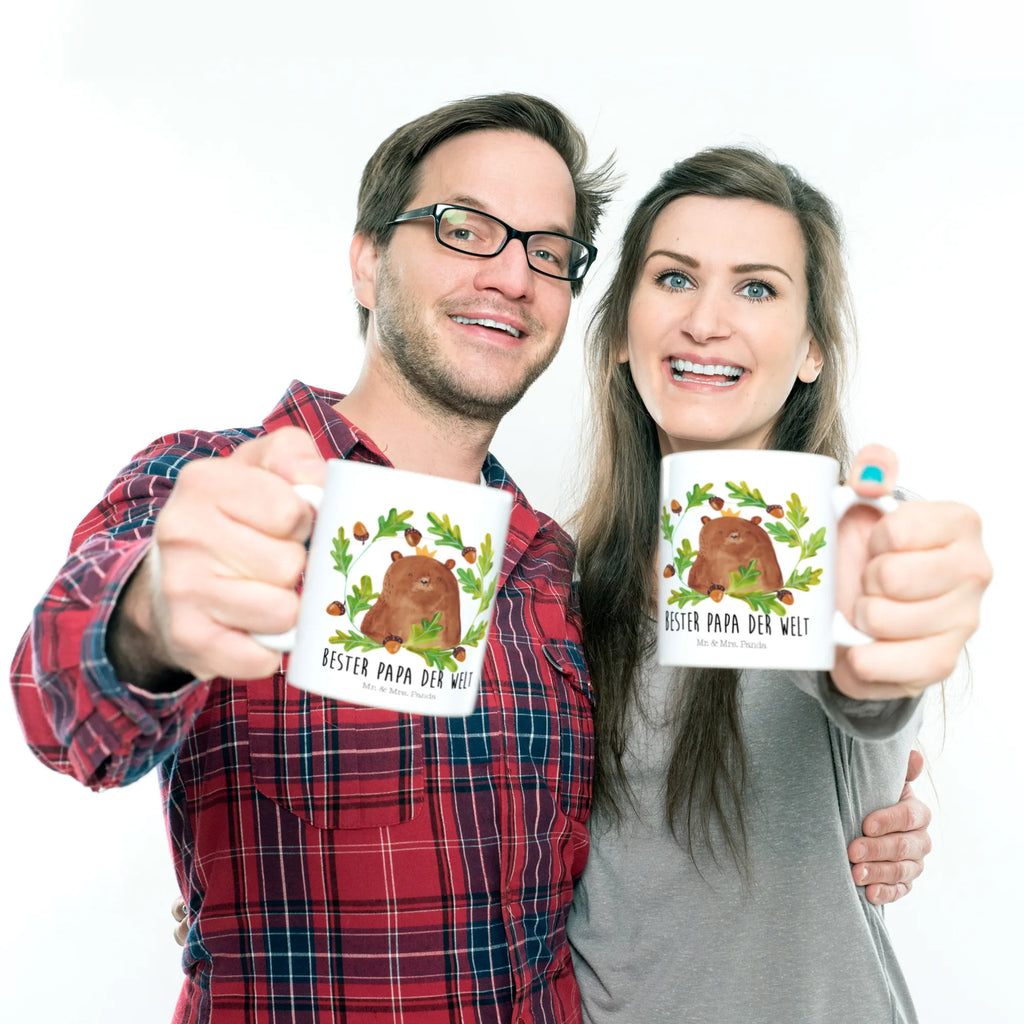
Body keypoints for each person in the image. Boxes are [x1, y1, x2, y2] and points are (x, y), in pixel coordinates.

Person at [12, 93, 933, 1024]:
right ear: (368, 260)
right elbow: (61, 706)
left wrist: (865, 803)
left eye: (545, 251)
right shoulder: (215, 487)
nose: (509, 275)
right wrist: (154, 617)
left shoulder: (554, 575)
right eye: (465, 229)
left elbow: (793, 734)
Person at [566, 146, 991, 1022]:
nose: (706, 322)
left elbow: (867, 681)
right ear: (618, 332)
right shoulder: (562, 582)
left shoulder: (848, 542)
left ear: (810, 353)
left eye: (756, 288)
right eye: (675, 279)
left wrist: (885, 644)